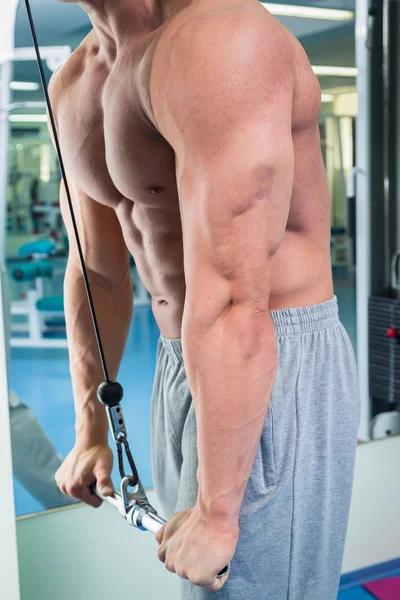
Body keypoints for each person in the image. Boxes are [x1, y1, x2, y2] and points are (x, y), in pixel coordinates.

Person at [52, 0, 361, 597]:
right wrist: (91, 427)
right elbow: (99, 274)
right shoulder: (77, 81)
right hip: (180, 359)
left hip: (268, 351)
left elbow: (234, 295)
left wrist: (220, 515)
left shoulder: (221, 43)